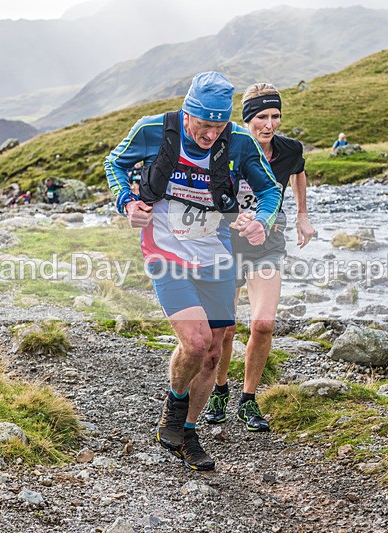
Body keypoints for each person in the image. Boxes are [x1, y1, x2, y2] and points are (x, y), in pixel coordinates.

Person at [105, 71, 282, 471]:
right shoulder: (154, 130)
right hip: (164, 251)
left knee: (215, 352)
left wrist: (261, 220)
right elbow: (115, 163)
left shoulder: (238, 141)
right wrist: (127, 203)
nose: (210, 135)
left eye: (219, 126)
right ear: (188, 114)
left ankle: (185, 431)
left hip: (216, 256)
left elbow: (271, 190)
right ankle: (175, 408)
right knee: (197, 342)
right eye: (204, 126)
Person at [204, 83, 316, 432]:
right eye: (261, 117)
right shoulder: (226, 148)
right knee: (225, 329)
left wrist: (301, 214)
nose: (269, 125)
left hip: (267, 243)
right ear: (247, 119)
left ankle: (248, 399)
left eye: (276, 116)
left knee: (264, 323)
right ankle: (220, 390)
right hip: (224, 243)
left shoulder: (288, 149)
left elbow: (298, 171)